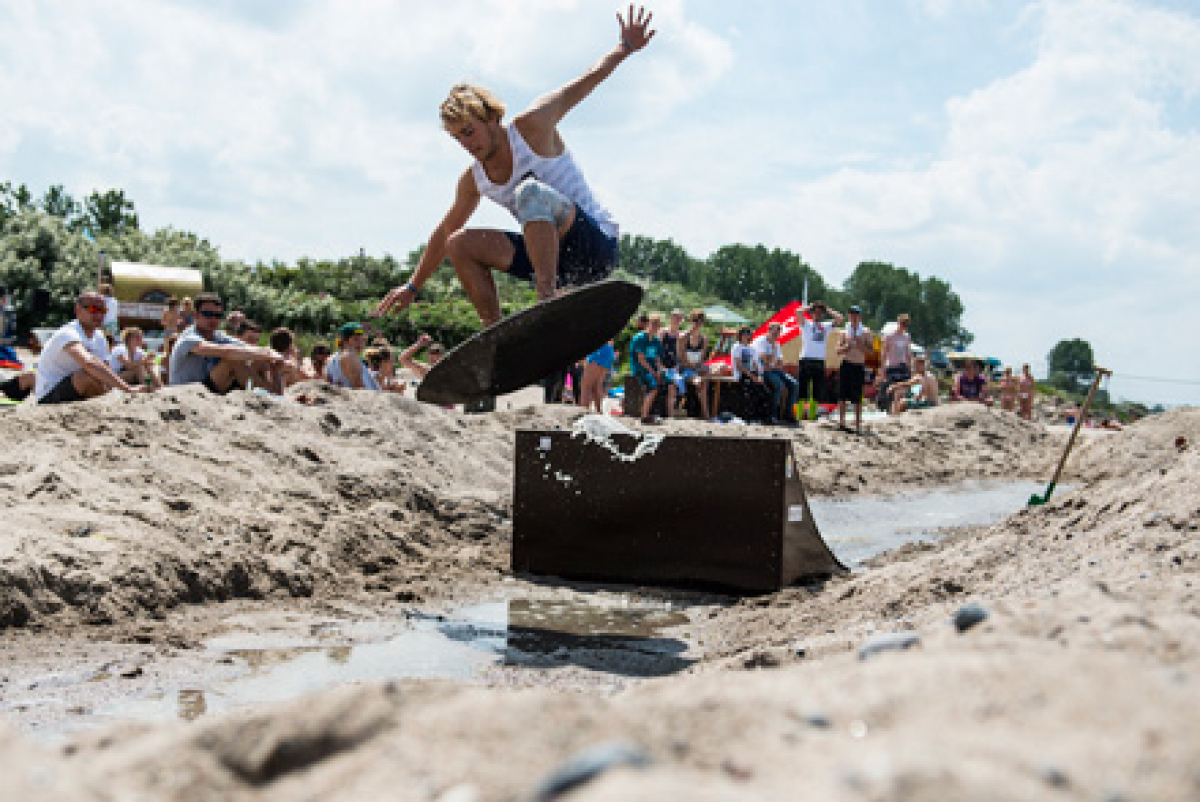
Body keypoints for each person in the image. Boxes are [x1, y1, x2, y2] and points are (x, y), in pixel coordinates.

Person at [373, 7, 656, 327]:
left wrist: (625, 48)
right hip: (549, 259)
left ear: (493, 118)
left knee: (529, 192)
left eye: (470, 132)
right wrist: (413, 285)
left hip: (594, 247)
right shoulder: (474, 179)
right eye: (458, 139)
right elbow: (444, 231)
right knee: (459, 242)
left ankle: (545, 299)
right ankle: (494, 335)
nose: (467, 145)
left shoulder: (531, 127)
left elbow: (582, 84)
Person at [34, 291, 143, 405]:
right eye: (93, 309)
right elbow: (89, 364)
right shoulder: (68, 333)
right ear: (78, 311)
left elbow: (105, 368)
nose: (99, 315)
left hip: (77, 392)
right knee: (88, 375)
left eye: (103, 310)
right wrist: (127, 389)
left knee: (101, 375)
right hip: (49, 396)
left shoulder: (99, 337)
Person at [168, 292, 286, 394]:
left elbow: (248, 349)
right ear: (195, 315)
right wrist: (265, 352)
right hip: (185, 394)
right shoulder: (189, 337)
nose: (213, 319)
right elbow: (226, 351)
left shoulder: (218, 336)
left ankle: (274, 395)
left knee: (259, 358)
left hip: (207, 390)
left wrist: (276, 360)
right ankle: (267, 397)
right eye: (208, 314)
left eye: (218, 315)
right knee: (233, 359)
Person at [795, 301, 844, 420]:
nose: (818, 314)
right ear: (812, 313)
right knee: (803, 389)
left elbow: (839, 318)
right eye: (815, 312)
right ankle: (800, 415)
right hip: (806, 359)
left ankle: (812, 415)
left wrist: (827, 309)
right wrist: (810, 307)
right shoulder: (806, 324)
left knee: (817, 391)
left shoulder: (826, 326)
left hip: (819, 360)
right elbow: (798, 312)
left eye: (820, 312)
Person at [753, 322, 799, 425]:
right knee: (779, 385)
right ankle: (773, 415)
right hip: (761, 371)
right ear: (769, 331)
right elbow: (765, 360)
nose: (776, 336)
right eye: (774, 333)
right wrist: (773, 352)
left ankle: (789, 414)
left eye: (778, 334)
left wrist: (773, 362)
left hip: (773, 370)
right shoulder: (761, 341)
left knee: (794, 384)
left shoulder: (776, 343)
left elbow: (780, 362)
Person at [837, 305, 873, 433]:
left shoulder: (866, 331)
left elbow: (870, 352)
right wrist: (847, 346)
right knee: (842, 395)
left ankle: (858, 424)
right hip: (846, 363)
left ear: (860, 316)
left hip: (858, 365)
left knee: (857, 397)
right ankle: (842, 422)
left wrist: (859, 344)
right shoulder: (844, 332)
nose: (853, 317)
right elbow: (838, 350)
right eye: (851, 314)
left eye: (856, 314)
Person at [629, 312, 666, 424]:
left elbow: (658, 358)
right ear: (648, 324)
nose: (655, 327)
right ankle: (644, 415)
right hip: (640, 369)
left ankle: (657, 412)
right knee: (653, 386)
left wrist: (659, 370)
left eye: (658, 325)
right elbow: (641, 359)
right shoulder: (639, 338)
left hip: (652, 369)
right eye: (654, 324)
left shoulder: (656, 341)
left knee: (668, 382)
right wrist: (654, 372)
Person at [675, 309, 711, 420]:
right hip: (684, 370)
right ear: (691, 321)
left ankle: (705, 412)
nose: (697, 323)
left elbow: (702, 359)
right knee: (701, 381)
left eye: (700, 321)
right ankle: (705, 413)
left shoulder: (704, 339)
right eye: (695, 320)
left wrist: (701, 367)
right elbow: (681, 360)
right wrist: (696, 368)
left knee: (716, 370)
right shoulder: (683, 337)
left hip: (696, 370)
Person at [730, 325, 770, 422]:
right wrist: (752, 377)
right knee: (749, 391)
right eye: (743, 333)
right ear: (740, 335)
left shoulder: (752, 348)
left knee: (765, 392)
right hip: (741, 374)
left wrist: (759, 375)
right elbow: (739, 365)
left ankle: (762, 417)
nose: (745, 335)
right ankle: (748, 417)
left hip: (752, 373)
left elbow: (756, 364)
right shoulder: (737, 347)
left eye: (748, 333)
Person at [326, 322, 380, 390]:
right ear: (344, 341)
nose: (361, 344)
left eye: (363, 340)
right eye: (356, 339)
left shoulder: (331, 359)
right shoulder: (349, 356)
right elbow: (361, 390)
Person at [581, 339, 615, 414]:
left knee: (586, 386)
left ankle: (583, 412)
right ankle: (599, 412)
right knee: (596, 385)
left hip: (599, 350)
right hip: (608, 350)